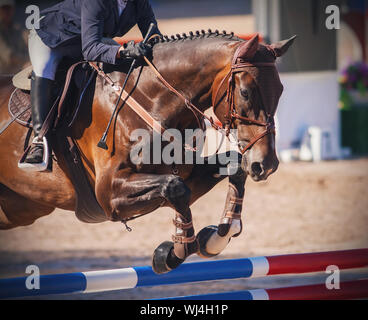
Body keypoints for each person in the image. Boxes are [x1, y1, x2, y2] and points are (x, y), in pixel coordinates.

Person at [23, 0, 160, 170]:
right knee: (45, 68)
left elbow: (153, 34)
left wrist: (157, 47)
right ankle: (39, 141)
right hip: (51, 36)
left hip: (84, 40)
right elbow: (90, 49)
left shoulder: (139, 3)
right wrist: (123, 51)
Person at [0, 0, 28, 74]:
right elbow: (9, 56)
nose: (7, 12)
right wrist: (27, 63)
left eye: (8, 8)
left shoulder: (18, 29)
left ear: (13, 9)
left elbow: (27, 48)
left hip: (18, 74)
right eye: (4, 8)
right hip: (3, 77)